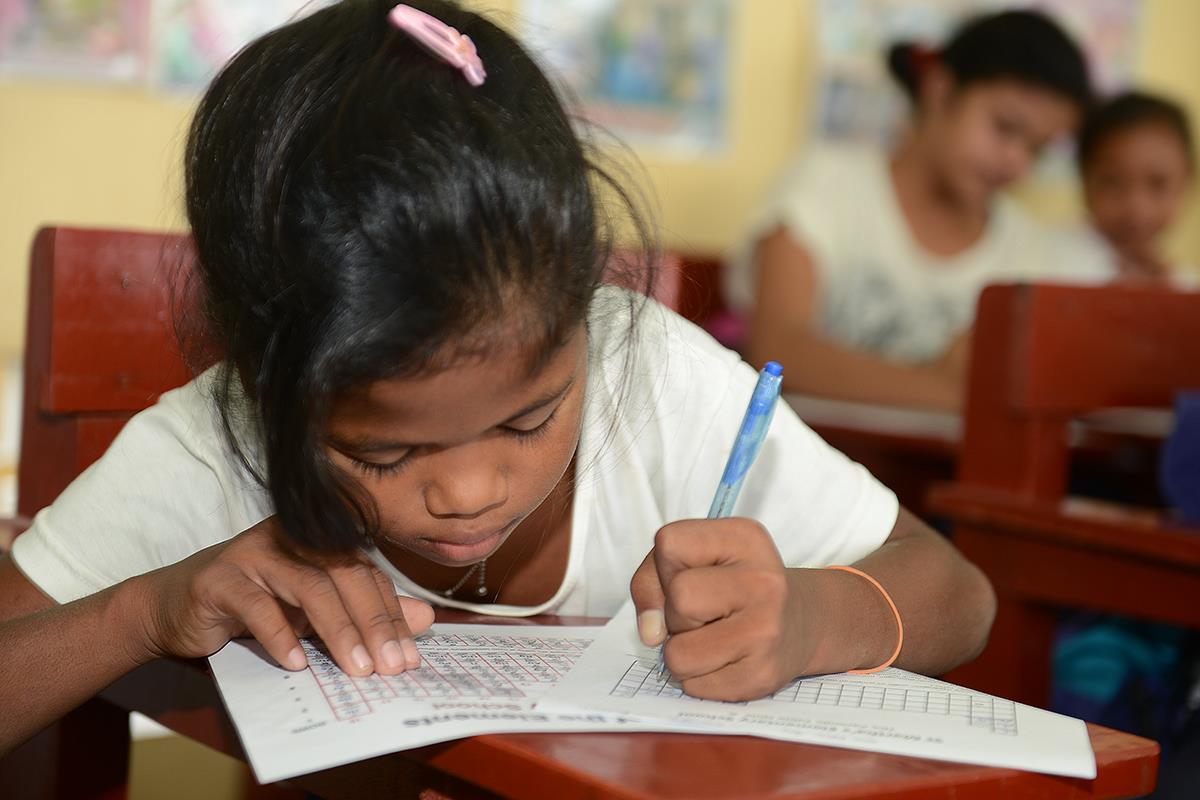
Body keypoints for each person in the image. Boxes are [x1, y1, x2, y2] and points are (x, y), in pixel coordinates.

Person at [0, 0, 995, 757]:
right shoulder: (219, 440)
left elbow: (958, 592)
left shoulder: (652, 377)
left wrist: (817, 616)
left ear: (581, 313)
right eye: (383, 450)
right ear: (266, 387)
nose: (469, 491)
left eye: (529, 420)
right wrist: (143, 611)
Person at [727, 10, 1092, 411]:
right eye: (1005, 127)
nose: (1016, 163)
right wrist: (953, 392)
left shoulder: (1027, 249)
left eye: (1038, 149)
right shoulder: (824, 186)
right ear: (940, 90)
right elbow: (779, 352)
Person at [1065, 91, 1196, 284]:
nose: (1136, 207)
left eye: (1158, 183)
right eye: (1113, 182)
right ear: (1084, 179)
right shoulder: (1045, 264)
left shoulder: (1185, 284)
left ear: (1187, 180)